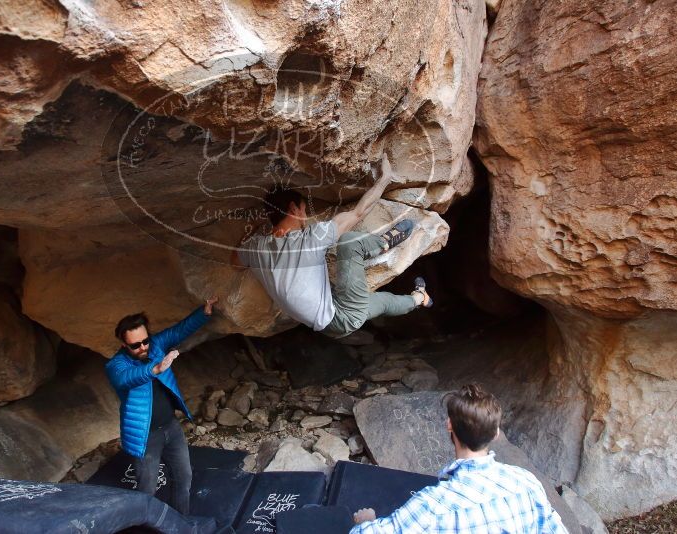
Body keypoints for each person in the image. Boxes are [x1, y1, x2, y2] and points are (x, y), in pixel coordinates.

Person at [232, 154, 432, 339]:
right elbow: (358, 213)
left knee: (384, 302)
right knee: (349, 242)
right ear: (293, 208)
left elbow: (235, 263)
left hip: (328, 321)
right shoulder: (310, 239)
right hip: (341, 316)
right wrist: (384, 178)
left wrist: (251, 232)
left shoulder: (256, 248)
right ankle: (385, 243)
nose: (305, 215)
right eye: (303, 209)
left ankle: (419, 298)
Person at [350, 384, 568, 533]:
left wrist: (366, 521)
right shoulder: (525, 482)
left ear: (449, 426)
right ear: (496, 433)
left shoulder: (432, 506)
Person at [105, 297, 218, 515]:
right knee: (147, 490)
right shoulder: (116, 365)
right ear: (123, 345)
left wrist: (204, 312)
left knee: (184, 477)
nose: (143, 347)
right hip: (145, 436)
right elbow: (126, 379)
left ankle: (179, 523)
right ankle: (144, 528)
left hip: (171, 428)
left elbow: (179, 331)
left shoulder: (155, 345)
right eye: (135, 345)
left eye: (145, 341)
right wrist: (154, 370)